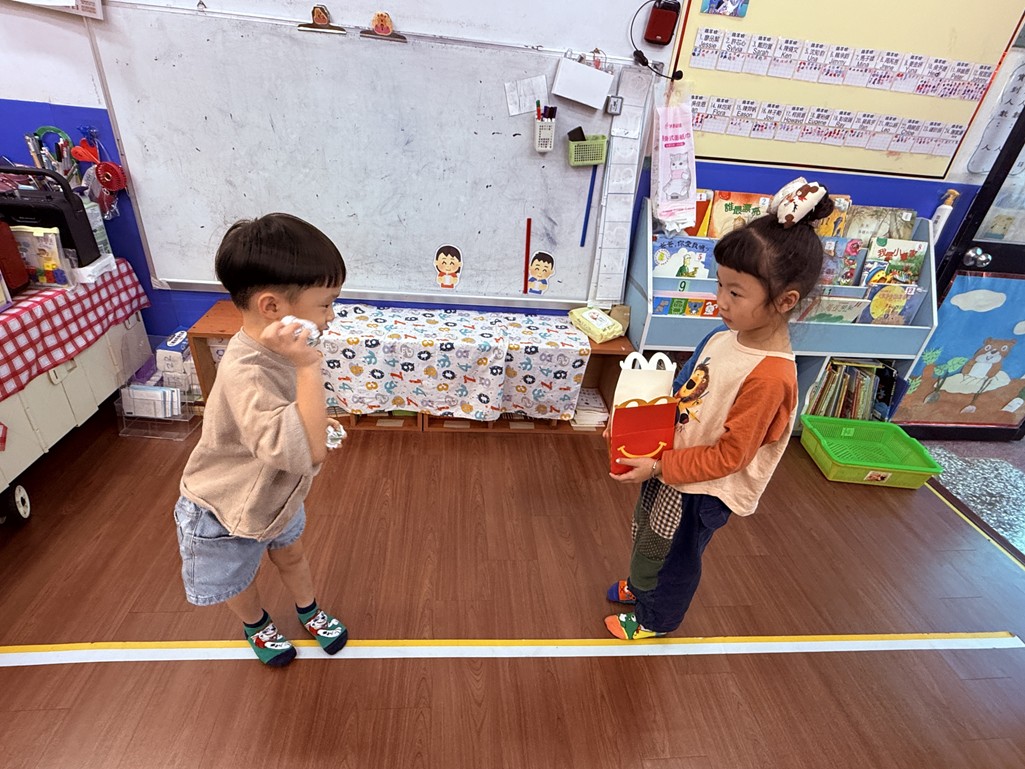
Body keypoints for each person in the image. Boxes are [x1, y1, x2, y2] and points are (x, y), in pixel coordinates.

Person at [604, 178, 832, 640]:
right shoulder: (724, 337)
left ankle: (655, 617)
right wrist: (634, 424)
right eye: (719, 285)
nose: (719, 300)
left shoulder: (770, 376)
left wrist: (660, 465)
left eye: (735, 293)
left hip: (701, 488)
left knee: (674, 556)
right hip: (671, 464)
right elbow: (685, 391)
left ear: (785, 301)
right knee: (649, 533)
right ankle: (643, 584)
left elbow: (731, 456)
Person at [173, 212, 348, 666]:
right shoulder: (249, 370)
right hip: (226, 507)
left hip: (274, 493)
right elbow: (305, 451)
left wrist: (318, 419)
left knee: (292, 555)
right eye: (326, 304)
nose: (331, 316)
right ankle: (256, 624)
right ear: (272, 307)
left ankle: (308, 610)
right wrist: (309, 368)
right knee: (238, 578)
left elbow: (292, 419)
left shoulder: (279, 348)